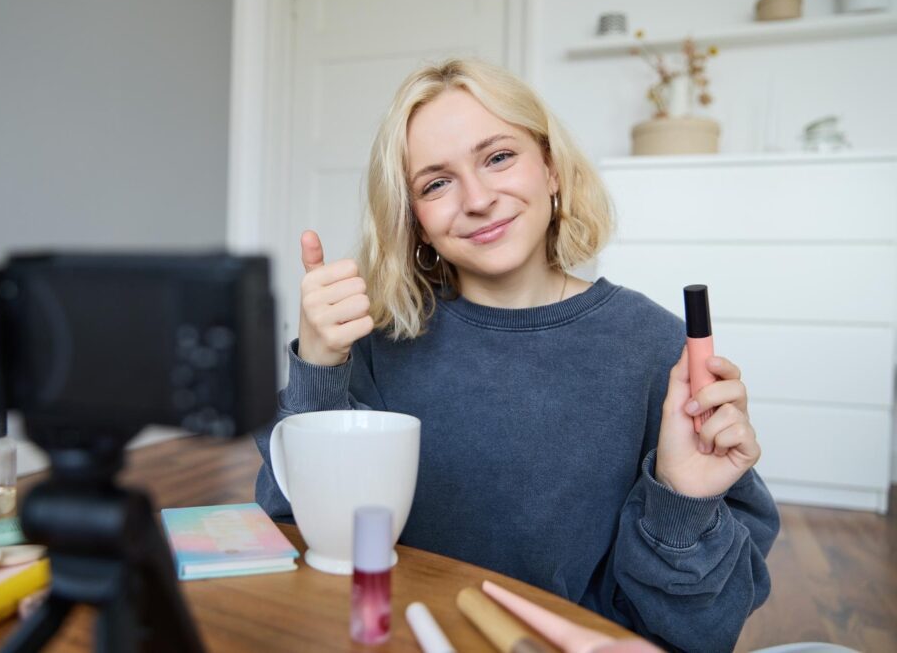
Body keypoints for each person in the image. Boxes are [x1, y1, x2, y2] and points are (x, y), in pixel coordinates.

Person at [254, 58, 779, 652]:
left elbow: (702, 630)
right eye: (436, 183)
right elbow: (296, 535)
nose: (477, 198)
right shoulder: (378, 348)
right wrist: (319, 369)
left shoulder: (656, 348)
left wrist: (682, 502)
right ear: (417, 223)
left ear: (552, 169)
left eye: (498, 156)